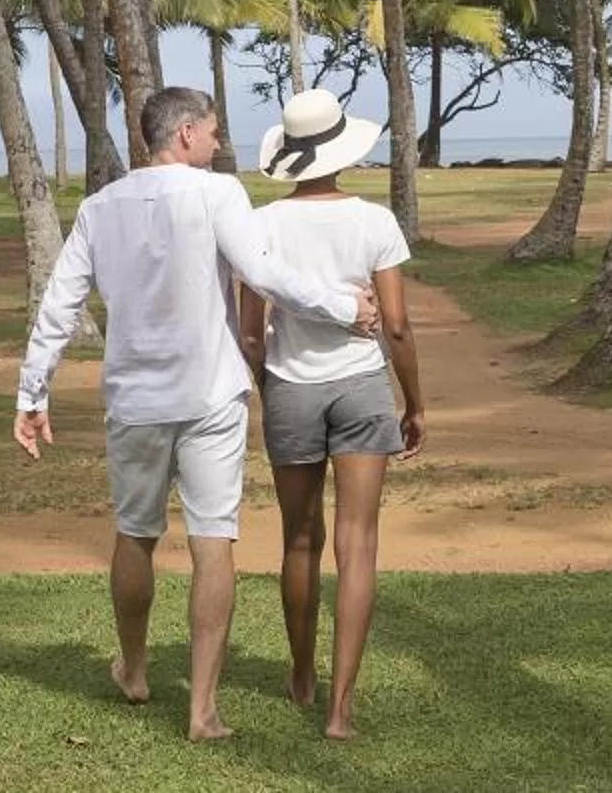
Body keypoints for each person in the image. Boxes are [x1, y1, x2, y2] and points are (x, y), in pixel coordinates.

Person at [13, 83, 379, 744]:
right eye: (211, 131)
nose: (218, 142)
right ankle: (203, 710)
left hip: (136, 402)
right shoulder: (217, 194)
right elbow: (264, 277)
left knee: (135, 535)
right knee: (214, 544)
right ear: (184, 134)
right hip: (211, 396)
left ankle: (136, 669)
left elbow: (61, 303)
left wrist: (31, 395)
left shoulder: (99, 208)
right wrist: (345, 306)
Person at [236, 89, 425, 742]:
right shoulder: (375, 221)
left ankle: (301, 674)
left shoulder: (260, 226)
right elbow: (395, 327)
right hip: (362, 387)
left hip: (290, 386)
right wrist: (415, 402)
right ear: (344, 149)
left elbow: (252, 334)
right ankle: (340, 709)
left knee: (299, 540)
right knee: (358, 545)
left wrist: (267, 389)